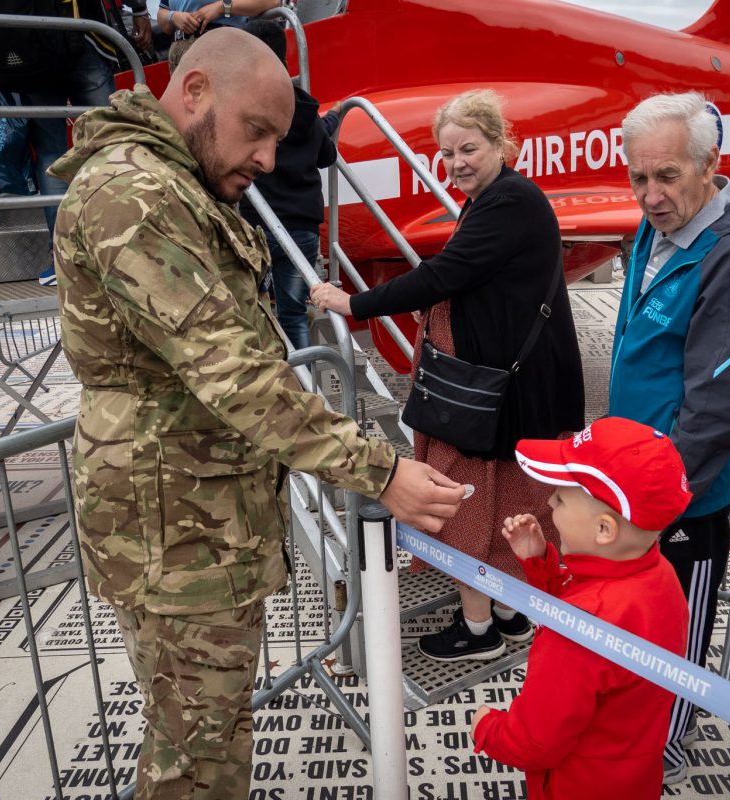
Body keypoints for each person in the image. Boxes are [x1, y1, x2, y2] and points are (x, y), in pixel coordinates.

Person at [48, 27, 464, 800]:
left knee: (207, 740)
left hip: (198, 529)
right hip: (177, 542)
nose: (270, 160)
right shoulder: (133, 196)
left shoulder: (175, 186)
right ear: (196, 90)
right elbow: (232, 373)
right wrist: (380, 471)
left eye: (278, 138)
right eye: (258, 131)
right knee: (196, 766)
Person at [311, 89, 585, 662]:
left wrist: (354, 304)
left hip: (489, 396)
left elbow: (444, 274)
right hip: (510, 390)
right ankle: (510, 614)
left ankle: (478, 629)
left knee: (462, 507)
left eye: (470, 149)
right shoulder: (498, 199)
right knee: (512, 500)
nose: (457, 163)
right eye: (447, 153)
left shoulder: (508, 201)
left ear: (502, 143)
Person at [607, 91, 730, 784]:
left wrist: (657, 502)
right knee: (633, 625)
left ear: (710, 165)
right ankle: (636, 727)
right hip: (634, 482)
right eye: (638, 177)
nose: (651, 195)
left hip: (681, 494)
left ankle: (667, 745)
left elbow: (713, 406)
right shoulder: (656, 228)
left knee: (676, 632)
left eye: (666, 176)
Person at [470, 416, 691, 800]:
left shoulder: (578, 631)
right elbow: (592, 597)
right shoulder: (660, 575)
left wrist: (487, 728)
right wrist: (540, 562)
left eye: (562, 496)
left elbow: (536, 742)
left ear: (604, 530)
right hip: (634, 779)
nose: (550, 501)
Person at [25, 0, 154, 285]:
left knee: (51, 154)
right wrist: (140, 10)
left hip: (32, 40)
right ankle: (123, 250)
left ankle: (63, 258)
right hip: (85, 33)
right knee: (110, 143)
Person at [238, 18, 338, 350]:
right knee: (294, 314)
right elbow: (327, 155)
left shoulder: (244, 108)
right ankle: (306, 388)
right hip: (302, 229)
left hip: (259, 225)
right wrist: (332, 120)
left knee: (250, 311)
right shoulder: (304, 106)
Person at [156, 0, 279, 41]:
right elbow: (162, 15)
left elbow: (273, 2)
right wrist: (172, 16)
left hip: (225, 47)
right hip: (181, 54)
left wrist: (222, 7)